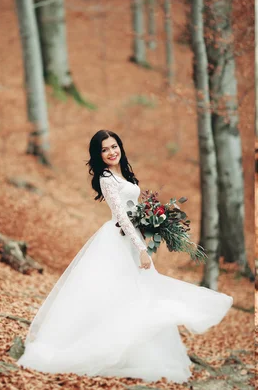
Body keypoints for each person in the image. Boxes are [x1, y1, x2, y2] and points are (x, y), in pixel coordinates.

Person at [17, 130, 233, 383]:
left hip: (132, 238)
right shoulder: (106, 178)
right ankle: (105, 350)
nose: (111, 152)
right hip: (117, 240)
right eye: (105, 149)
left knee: (140, 293)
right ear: (99, 155)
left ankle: (136, 352)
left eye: (114, 146)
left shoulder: (123, 174)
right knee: (120, 294)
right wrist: (141, 249)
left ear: (120, 146)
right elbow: (120, 216)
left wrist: (151, 225)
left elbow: (133, 211)